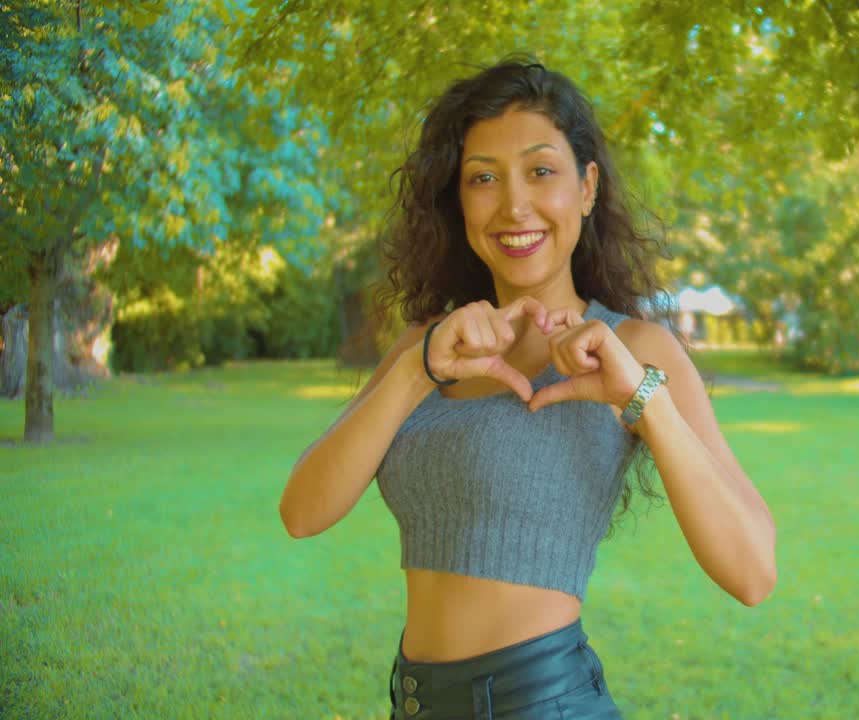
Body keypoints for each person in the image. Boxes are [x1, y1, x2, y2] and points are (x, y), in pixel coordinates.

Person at [278, 59, 777, 719]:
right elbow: (302, 512)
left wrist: (641, 399)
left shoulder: (639, 349)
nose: (514, 205)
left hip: (542, 702)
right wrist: (416, 369)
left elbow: (752, 573)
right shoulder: (428, 346)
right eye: (483, 178)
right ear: (459, 200)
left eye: (541, 171)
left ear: (587, 185)